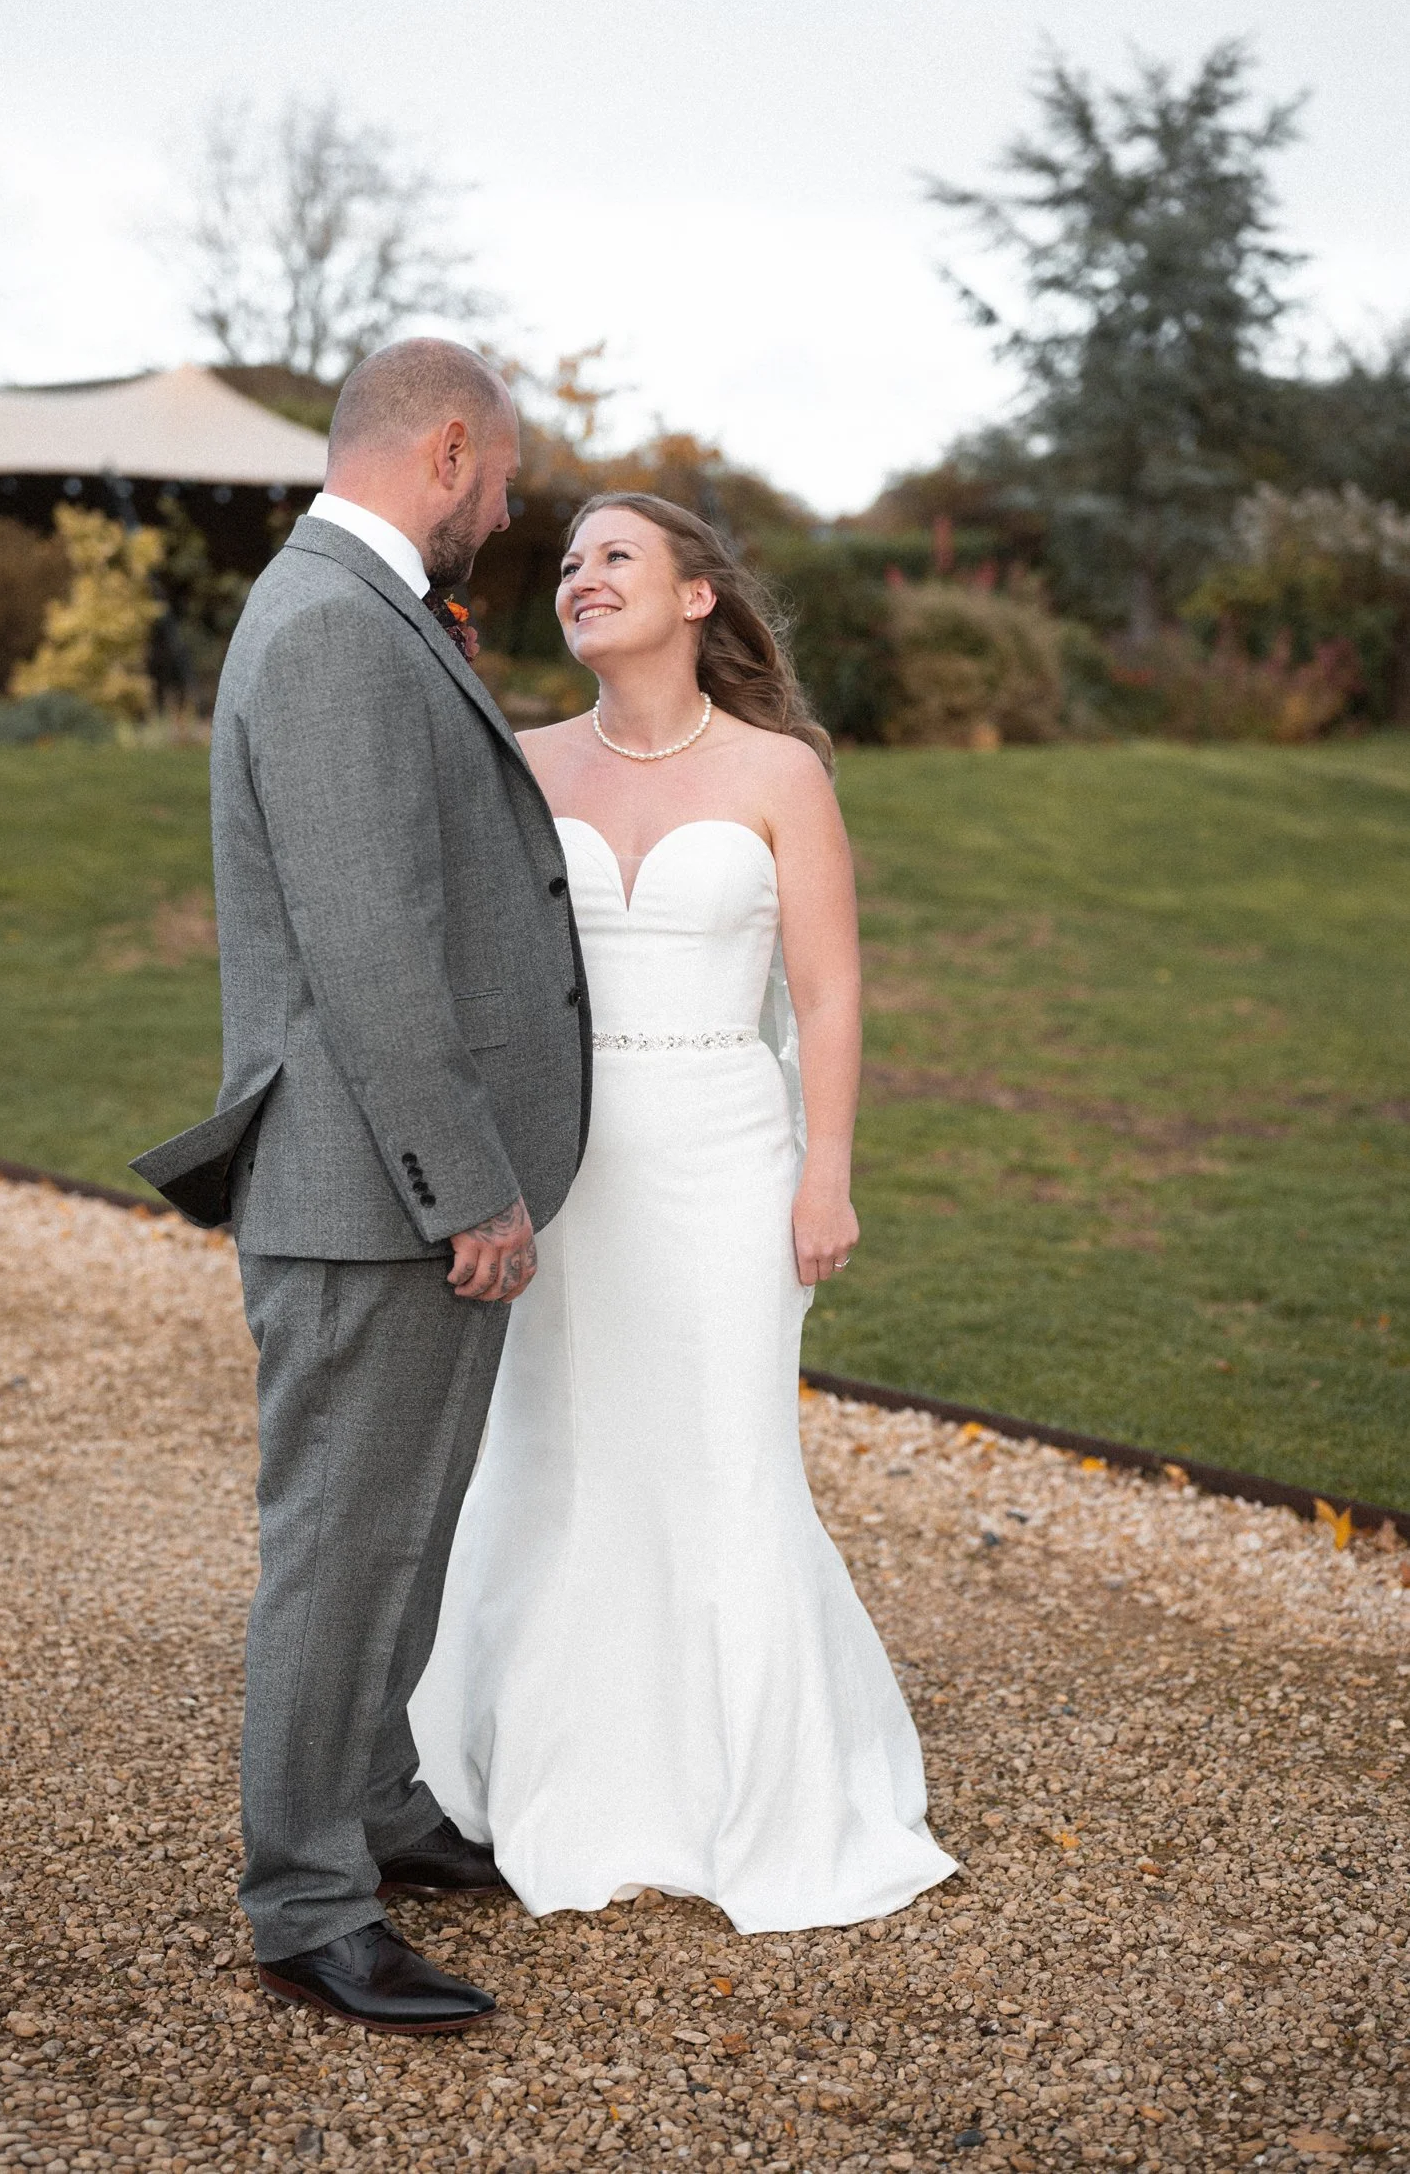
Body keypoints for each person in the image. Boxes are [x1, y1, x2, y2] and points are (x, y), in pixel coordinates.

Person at [409, 492, 957, 1933]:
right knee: (556, 1456)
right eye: (572, 561)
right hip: (565, 1168)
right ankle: (548, 1775)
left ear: (698, 596)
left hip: (727, 1154)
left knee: (723, 1455)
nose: (581, 579)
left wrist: (823, 1169)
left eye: (617, 557)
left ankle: (754, 1797)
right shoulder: (520, 763)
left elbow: (828, 991)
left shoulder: (780, 773)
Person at [131, 340, 591, 2032]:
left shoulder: (357, 605)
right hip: (371, 1188)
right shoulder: (331, 622)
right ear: (449, 448)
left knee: (401, 1527)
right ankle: (306, 1901)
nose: (513, 507)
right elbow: (372, 949)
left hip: (382, 1182)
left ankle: (376, 1809)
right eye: (511, 474)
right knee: (341, 1545)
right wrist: (467, 1186)